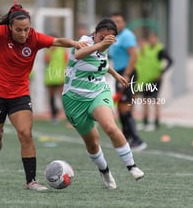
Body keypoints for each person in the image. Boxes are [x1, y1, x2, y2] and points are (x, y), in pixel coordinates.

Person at [0, 2, 86, 191]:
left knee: (26, 134)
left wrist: (75, 43)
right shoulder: (2, 34)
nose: (23, 34)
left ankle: (31, 181)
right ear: (10, 27)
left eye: (26, 29)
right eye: (19, 30)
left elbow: (58, 41)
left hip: (19, 95)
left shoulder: (35, 38)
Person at [62, 18, 145, 189]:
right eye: (102, 37)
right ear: (95, 33)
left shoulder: (103, 45)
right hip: (74, 99)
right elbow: (79, 54)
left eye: (110, 39)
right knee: (92, 143)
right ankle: (105, 171)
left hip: (98, 92)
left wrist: (115, 75)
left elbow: (101, 61)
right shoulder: (85, 41)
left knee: (110, 126)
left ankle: (132, 166)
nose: (105, 41)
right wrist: (101, 44)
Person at [108, 13, 147, 151]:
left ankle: (137, 140)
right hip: (119, 73)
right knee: (120, 108)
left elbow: (133, 55)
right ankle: (126, 139)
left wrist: (127, 74)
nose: (116, 24)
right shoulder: (115, 37)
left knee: (125, 108)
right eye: (114, 21)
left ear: (124, 22)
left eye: (119, 21)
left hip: (126, 73)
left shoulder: (127, 36)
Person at [135, 29, 173, 130]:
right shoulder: (145, 49)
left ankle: (156, 123)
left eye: (153, 38)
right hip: (145, 80)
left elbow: (170, 61)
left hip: (155, 79)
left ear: (157, 39)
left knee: (155, 100)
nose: (152, 40)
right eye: (150, 38)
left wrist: (162, 72)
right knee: (145, 100)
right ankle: (145, 121)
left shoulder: (160, 50)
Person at [44, 34, 68, 123]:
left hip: (60, 76)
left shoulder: (62, 50)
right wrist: (50, 51)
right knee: (51, 97)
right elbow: (46, 61)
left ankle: (68, 116)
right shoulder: (48, 50)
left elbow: (66, 62)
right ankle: (54, 116)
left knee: (63, 97)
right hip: (50, 77)